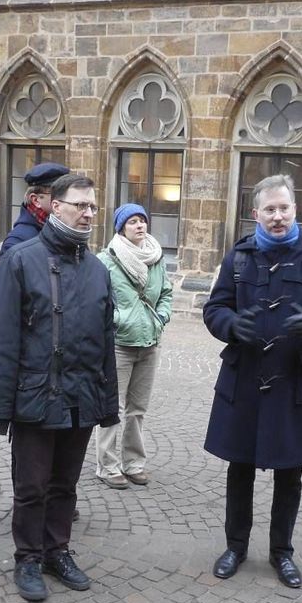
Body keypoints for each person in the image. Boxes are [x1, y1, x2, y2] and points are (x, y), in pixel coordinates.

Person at [203, 174, 302, 589]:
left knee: (290, 473)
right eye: (269, 210)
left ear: (295, 209)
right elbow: (214, 309)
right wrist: (233, 325)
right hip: (245, 380)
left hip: (295, 384)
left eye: (283, 208)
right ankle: (235, 547)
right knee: (240, 469)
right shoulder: (238, 258)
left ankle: (281, 553)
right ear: (256, 214)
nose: (277, 217)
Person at [0, 173, 119, 602]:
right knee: (31, 486)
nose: (88, 213)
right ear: (54, 206)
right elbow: (1, 338)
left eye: (93, 207)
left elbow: (105, 344)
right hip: (35, 396)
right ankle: (27, 557)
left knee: (65, 485)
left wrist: (108, 403)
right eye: (80, 204)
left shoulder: (98, 269)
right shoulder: (21, 259)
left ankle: (56, 550)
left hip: (81, 396)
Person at [94, 203, 173, 489]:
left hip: (150, 342)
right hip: (119, 344)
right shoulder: (106, 260)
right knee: (112, 407)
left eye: (142, 220)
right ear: (121, 228)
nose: (139, 225)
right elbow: (98, 300)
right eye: (132, 222)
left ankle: (134, 463)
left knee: (138, 408)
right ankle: (107, 465)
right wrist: (118, 321)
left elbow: (166, 292)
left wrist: (162, 317)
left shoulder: (156, 257)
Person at [0, 162, 70, 255]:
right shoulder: (17, 241)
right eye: (58, 193)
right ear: (36, 200)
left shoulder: (66, 231)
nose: (66, 199)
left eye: (67, 193)